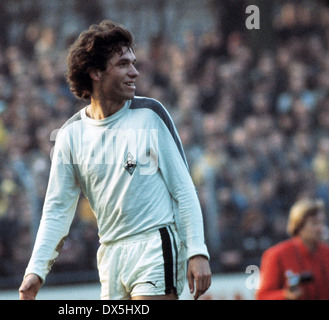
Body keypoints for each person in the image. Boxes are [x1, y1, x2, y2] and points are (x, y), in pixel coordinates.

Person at [19, 20, 211, 300]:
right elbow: (57, 210)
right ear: (95, 71)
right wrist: (35, 272)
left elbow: (183, 189)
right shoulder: (70, 136)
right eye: (123, 64)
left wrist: (197, 251)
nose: (134, 72)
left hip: (155, 245)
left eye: (134, 63)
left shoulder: (150, 115)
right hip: (110, 255)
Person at [256, 198, 329, 300]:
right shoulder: (277, 255)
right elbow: (263, 296)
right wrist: (285, 295)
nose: (320, 228)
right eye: (314, 223)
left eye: (322, 223)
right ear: (299, 226)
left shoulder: (326, 253)